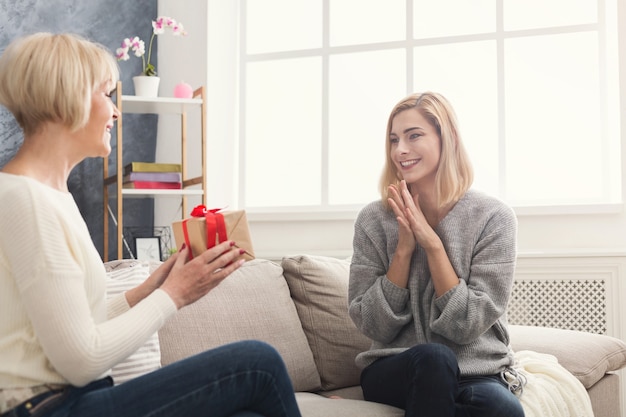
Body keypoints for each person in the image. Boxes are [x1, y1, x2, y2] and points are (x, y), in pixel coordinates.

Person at [0, 32, 302, 417]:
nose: (115, 112)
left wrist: (150, 288)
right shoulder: (23, 199)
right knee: (258, 364)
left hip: (71, 400)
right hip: (48, 407)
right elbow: (82, 359)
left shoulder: (49, 196)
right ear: (67, 98)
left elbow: (72, 327)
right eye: (106, 94)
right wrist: (174, 294)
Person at [348, 92, 525, 417]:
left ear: (448, 139)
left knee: (502, 409)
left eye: (414, 135)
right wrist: (404, 249)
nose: (400, 150)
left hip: (476, 371)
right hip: (397, 368)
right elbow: (373, 325)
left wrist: (432, 245)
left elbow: (467, 324)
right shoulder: (374, 220)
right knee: (433, 359)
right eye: (394, 139)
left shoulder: (493, 217)